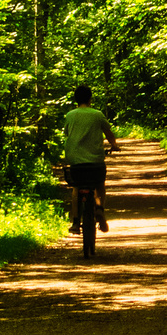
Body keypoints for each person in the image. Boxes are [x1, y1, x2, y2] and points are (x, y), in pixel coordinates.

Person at [64, 84, 119, 234]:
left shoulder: (70, 115)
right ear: (90, 99)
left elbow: (67, 133)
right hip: (95, 162)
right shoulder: (97, 114)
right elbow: (109, 133)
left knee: (76, 189)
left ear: (76, 99)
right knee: (100, 185)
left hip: (76, 162)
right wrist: (114, 145)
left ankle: (75, 222)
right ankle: (100, 209)